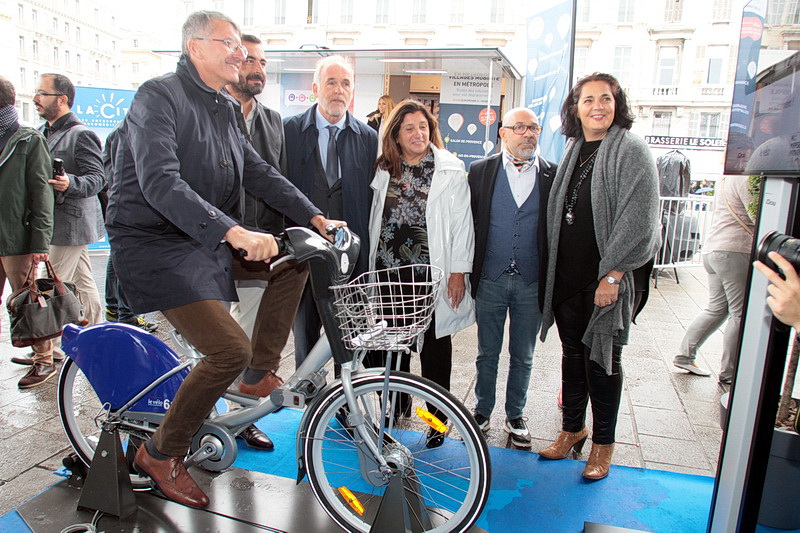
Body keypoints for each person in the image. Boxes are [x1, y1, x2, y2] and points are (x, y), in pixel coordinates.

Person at [106, 11, 341, 509]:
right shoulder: (159, 95)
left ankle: (258, 372)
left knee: (295, 259)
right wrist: (233, 231)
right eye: (230, 44)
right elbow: (160, 182)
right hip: (156, 246)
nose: (241, 53)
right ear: (195, 47)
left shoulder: (222, 107)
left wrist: (316, 217)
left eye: (241, 45)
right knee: (225, 351)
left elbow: (257, 171)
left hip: (203, 239)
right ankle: (160, 453)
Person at [538, 73, 660, 480]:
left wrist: (614, 274)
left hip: (606, 278)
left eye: (605, 98)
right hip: (568, 276)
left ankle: (603, 445)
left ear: (617, 103)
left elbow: (640, 219)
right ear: (576, 107)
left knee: (603, 361)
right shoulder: (574, 147)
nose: (597, 106)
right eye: (588, 99)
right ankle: (573, 430)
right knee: (572, 356)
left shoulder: (631, 149)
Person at [367, 99, 475, 448]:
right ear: (396, 134)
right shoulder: (384, 168)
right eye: (409, 128)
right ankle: (397, 407)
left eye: (424, 127)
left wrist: (458, 272)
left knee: (434, 351)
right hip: (387, 273)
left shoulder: (449, 169)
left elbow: (463, 225)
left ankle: (436, 420)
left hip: (429, 276)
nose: (418, 133)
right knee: (391, 347)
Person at [223, 33, 308, 450]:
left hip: (261, 246)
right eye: (249, 60)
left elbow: (276, 179)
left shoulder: (273, 120)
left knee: (251, 329)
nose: (257, 69)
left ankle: (241, 415)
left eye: (262, 62)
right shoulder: (209, 114)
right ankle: (204, 417)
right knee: (219, 342)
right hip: (213, 242)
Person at [468, 107, 556, 447]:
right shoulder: (480, 171)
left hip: (531, 281)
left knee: (524, 354)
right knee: (486, 351)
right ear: (503, 133)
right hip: (490, 276)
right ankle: (482, 409)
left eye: (533, 127)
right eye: (519, 127)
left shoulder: (553, 174)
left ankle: (516, 414)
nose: (528, 133)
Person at [283, 55, 378, 368]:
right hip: (304, 259)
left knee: (349, 339)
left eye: (346, 83)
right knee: (306, 339)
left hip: (350, 261)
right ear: (315, 88)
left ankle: (348, 408)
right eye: (331, 82)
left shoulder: (368, 139)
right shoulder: (289, 132)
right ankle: (308, 406)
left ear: (352, 91)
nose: (339, 90)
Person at [33, 73, 105, 328]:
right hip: (57, 221)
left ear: (62, 99)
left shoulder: (81, 134)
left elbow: (98, 178)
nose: (35, 99)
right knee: (83, 283)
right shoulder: (43, 131)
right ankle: (97, 333)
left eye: (42, 93)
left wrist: (70, 182)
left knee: (51, 282)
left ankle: (48, 350)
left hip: (69, 224)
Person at [0, 77, 57, 388]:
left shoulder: (27, 139)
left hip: (17, 237)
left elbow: (41, 193)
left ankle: (44, 359)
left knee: (28, 300)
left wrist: (39, 241)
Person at [673, 175, 755, 384]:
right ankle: (730, 373)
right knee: (739, 314)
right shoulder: (746, 179)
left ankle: (685, 355)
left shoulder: (727, 178)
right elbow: (756, 216)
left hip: (714, 249)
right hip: (735, 249)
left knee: (717, 308)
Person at [102, 126, 158, 334]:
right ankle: (127, 316)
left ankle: (115, 310)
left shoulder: (118, 132)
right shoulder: (141, 131)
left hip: (121, 203)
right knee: (132, 260)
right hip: (137, 207)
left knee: (118, 257)